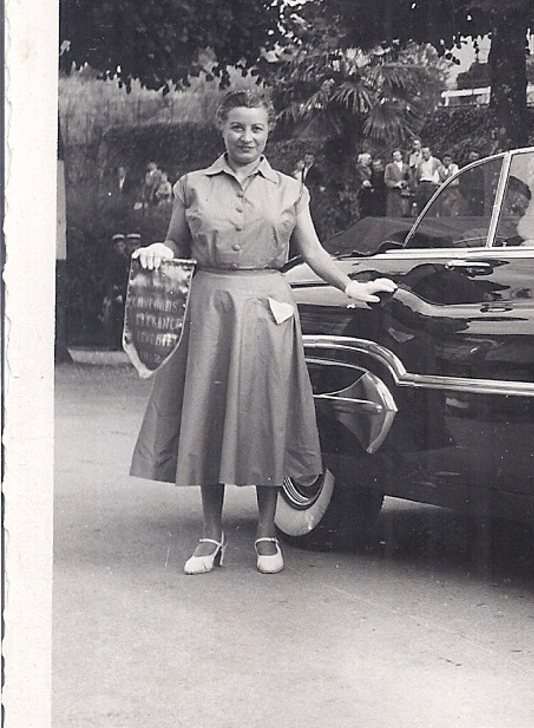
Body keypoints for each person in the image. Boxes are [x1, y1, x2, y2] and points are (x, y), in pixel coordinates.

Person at [127, 91, 395, 576]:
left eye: (256, 128)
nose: (246, 137)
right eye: (236, 127)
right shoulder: (191, 186)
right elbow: (173, 241)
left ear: (268, 132)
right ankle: (211, 535)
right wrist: (158, 252)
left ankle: (267, 533)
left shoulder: (290, 190)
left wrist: (352, 286)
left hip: (270, 308)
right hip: (210, 306)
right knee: (211, 415)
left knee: (266, 417)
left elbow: (312, 252)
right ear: (221, 128)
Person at [383, 148, 409, 217]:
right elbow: (387, 179)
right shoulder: (389, 167)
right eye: (394, 156)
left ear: (401, 156)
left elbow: (410, 178)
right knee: (393, 211)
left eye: (398, 155)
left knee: (404, 210)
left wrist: (404, 183)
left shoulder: (406, 167)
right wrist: (395, 184)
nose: (396, 157)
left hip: (404, 192)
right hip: (393, 192)